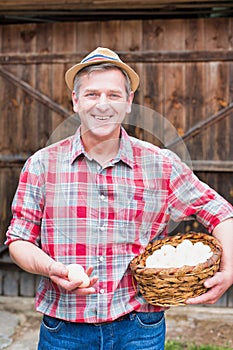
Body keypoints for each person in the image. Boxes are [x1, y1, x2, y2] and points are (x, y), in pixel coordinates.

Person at [5, 47, 233, 350]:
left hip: (139, 328)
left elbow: (219, 211)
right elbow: (19, 240)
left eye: (113, 95)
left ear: (128, 103)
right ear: (75, 101)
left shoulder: (160, 164)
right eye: (91, 94)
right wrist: (52, 269)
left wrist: (229, 269)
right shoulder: (41, 165)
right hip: (64, 330)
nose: (103, 104)